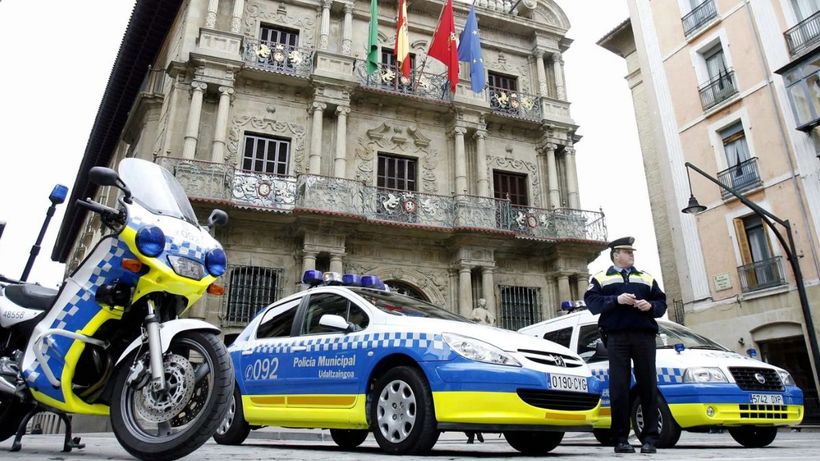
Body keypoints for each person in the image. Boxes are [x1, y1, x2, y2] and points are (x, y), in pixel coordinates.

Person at [584, 236, 666, 454]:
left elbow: (661, 304)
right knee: (618, 388)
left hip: (644, 336)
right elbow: (592, 303)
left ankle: (650, 438)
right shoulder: (601, 278)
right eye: (627, 252)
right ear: (615, 255)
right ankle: (620, 439)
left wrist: (649, 305)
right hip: (617, 337)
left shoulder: (647, 277)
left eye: (632, 252)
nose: (631, 255)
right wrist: (616, 300)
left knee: (648, 385)